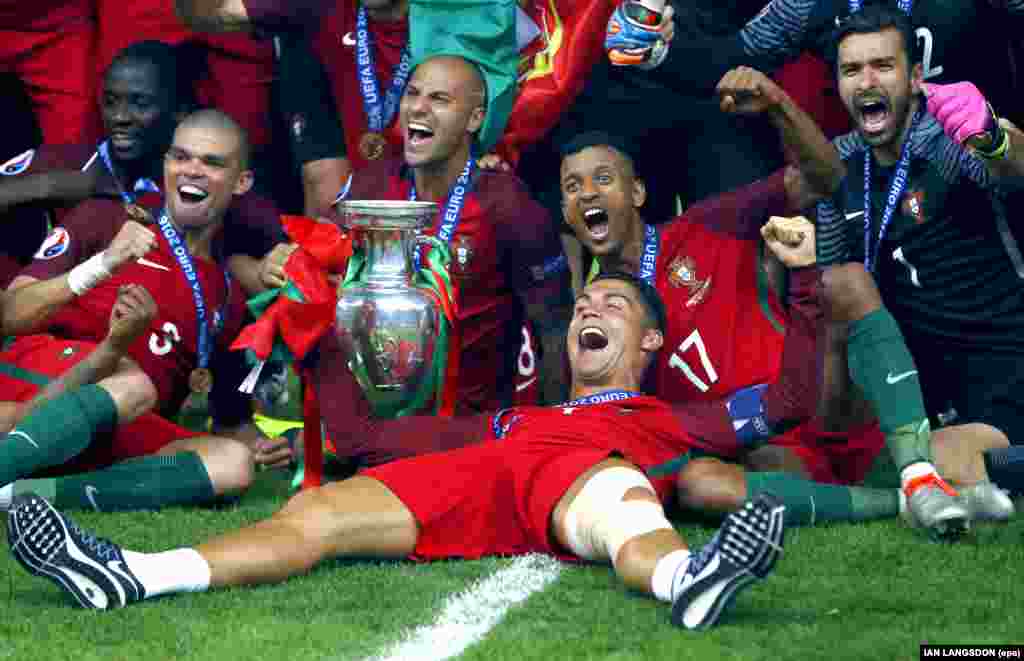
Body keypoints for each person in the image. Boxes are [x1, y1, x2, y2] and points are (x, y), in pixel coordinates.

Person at [6, 272, 787, 633]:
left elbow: (791, 404)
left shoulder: (679, 417)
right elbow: (366, 441)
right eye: (583, 301)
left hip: (591, 472)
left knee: (620, 501)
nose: (590, 306)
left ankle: (688, 578)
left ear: (650, 339)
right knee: (314, 508)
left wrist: (820, 277)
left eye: (612, 302)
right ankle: (134, 575)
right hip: (489, 470)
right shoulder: (512, 415)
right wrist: (317, 337)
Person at [291, 54, 570, 468]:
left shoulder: (508, 204)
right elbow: (317, 265)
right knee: (318, 444)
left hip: (462, 425)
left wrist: (554, 435)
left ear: (474, 119)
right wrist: (291, 262)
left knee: (335, 450)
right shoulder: (373, 184)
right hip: (376, 416)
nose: (418, 107)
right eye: (413, 93)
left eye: (439, 99)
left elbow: (554, 328)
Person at [810, 5, 1024, 504]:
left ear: (914, 78)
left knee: (946, 458)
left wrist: (993, 139)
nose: (866, 82)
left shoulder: (947, 139)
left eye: (882, 66)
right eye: (851, 70)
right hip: (915, 375)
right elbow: (834, 300)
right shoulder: (837, 165)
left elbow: (1013, 171)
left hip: (1002, 360)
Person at [0, 110, 263, 513]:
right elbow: (10, 312)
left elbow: (231, 421)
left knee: (233, 463)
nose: (192, 171)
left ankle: (21, 496)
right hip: (40, 383)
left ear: (241, 181)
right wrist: (102, 264)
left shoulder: (229, 296)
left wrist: (284, 443)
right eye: (180, 157)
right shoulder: (109, 218)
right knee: (133, 382)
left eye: (211, 163)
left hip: (114, 423)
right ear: (165, 165)